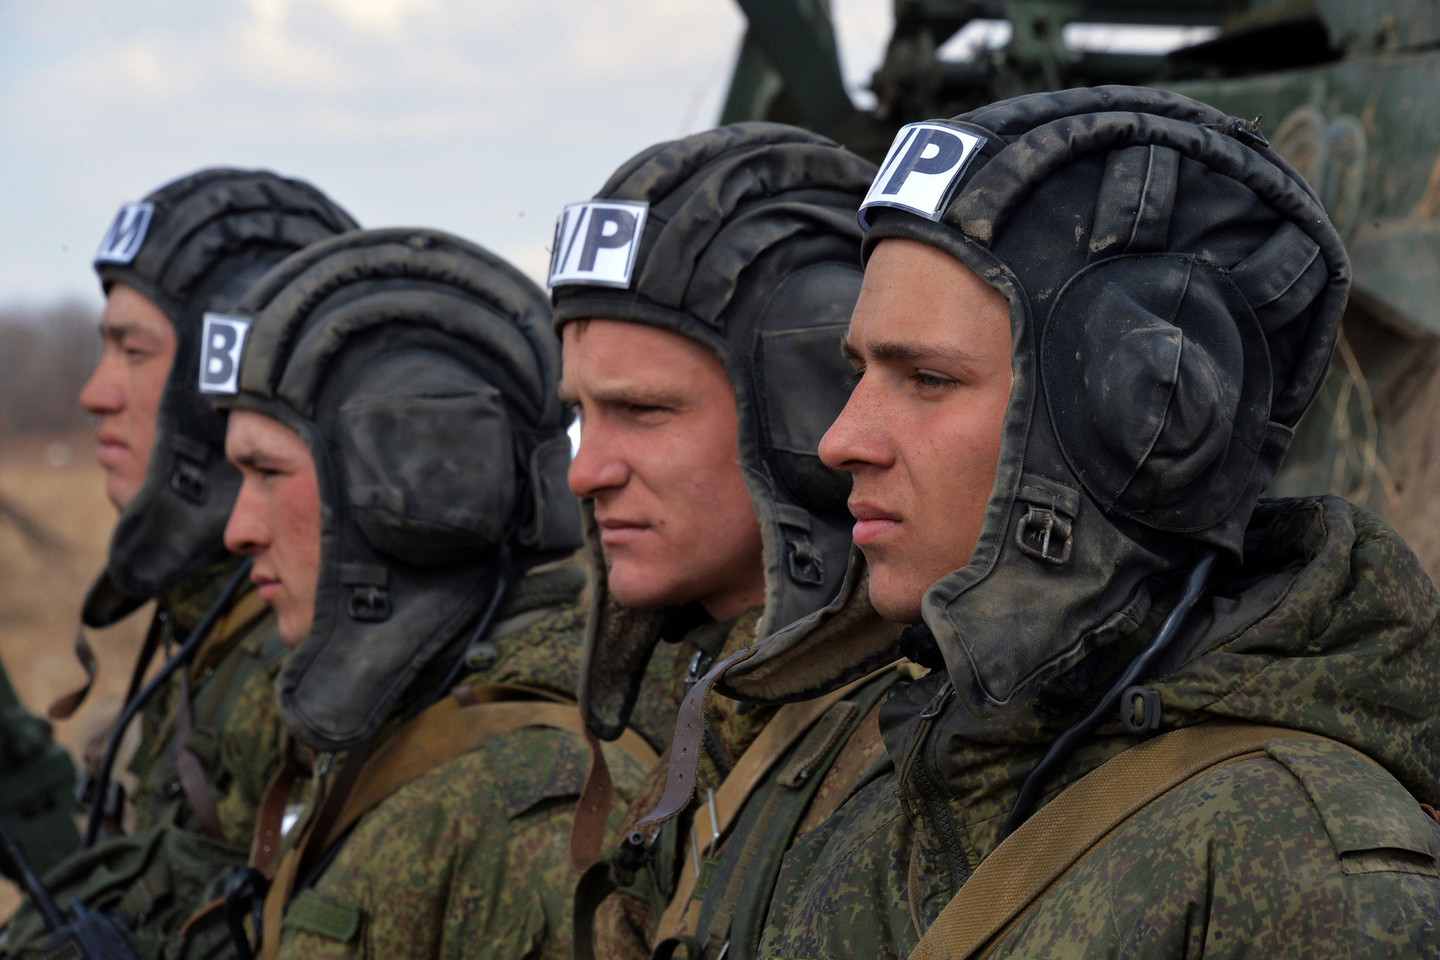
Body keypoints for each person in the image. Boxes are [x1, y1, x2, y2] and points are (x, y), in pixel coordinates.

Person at [709, 86, 1440, 957]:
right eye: (858, 371)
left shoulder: (1296, 867)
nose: (841, 441)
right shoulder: (900, 794)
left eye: (928, 380)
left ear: (1140, 424)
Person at [211, 227, 660, 960]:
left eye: (268, 473)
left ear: (410, 484)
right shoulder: (411, 723)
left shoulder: (532, 810)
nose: (239, 530)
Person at [550, 123, 905, 960]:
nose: (586, 471)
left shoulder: (905, 753)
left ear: (807, 407)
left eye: (643, 411)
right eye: (580, 414)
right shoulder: (718, 707)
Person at [3, 168, 357, 960]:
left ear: (223, 381)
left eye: (134, 351)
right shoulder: (218, 626)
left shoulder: (303, 669)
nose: (96, 393)